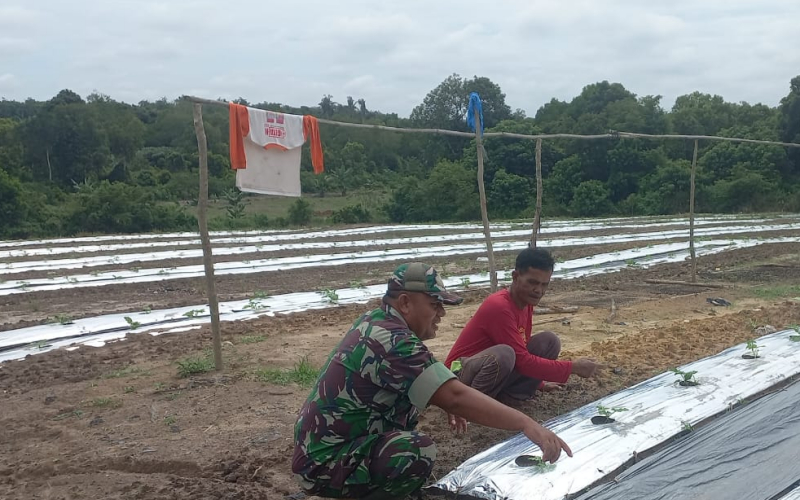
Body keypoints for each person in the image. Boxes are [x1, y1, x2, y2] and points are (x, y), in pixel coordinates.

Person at [292, 263, 572, 500]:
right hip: (326, 464)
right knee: (414, 451)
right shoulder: (392, 339)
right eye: (435, 304)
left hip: (326, 451)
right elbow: (455, 396)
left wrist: (448, 397)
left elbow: (434, 378)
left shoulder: (378, 322)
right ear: (405, 302)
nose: (441, 314)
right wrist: (526, 423)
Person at [445, 247, 604, 408]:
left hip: (486, 371)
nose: (538, 290)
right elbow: (523, 361)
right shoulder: (499, 306)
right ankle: (471, 406)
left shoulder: (525, 304)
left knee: (549, 341)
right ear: (515, 277)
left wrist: (539, 384)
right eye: (533, 283)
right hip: (457, 376)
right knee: (505, 354)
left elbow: (522, 350)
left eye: (544, 285)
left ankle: (510, 397)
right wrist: (574, 367)